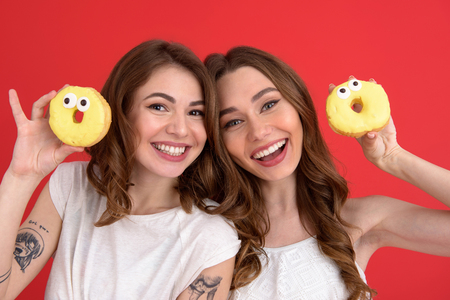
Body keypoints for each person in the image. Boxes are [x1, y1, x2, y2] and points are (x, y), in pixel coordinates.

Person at [0, 40, 240, 300]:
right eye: (159, 107)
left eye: (195, 112)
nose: (181, 129)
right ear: (121, 112)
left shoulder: (211, 237)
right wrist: (21, 176)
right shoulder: (73, 186)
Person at [204, 46, 450, 300]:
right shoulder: (208, 231)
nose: (258, 131)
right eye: (233, 122)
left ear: (299, 106)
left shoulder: (358, 220)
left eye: (269, 104)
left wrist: (392, 157)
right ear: (218, 140)